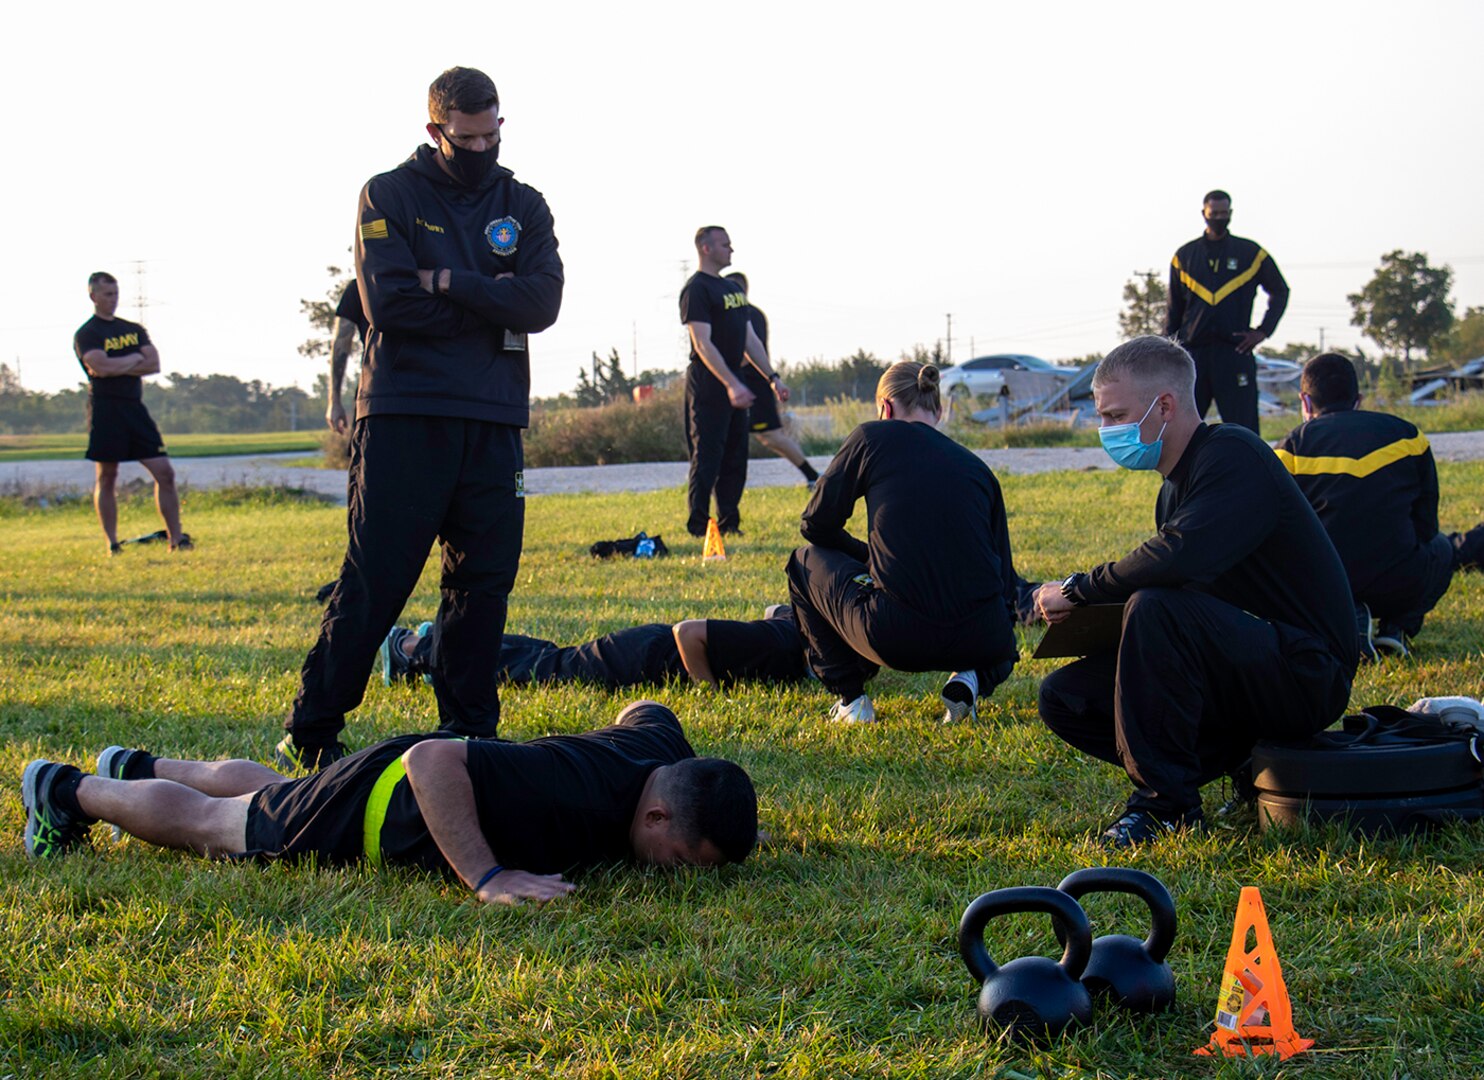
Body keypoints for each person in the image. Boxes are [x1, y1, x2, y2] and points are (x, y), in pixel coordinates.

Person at [279, 67, 564, 771]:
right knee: (376, 578)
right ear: (435, 130)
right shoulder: (390, 194)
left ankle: (468, 732)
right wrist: (489, 298)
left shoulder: (523, 204)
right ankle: (311, 729)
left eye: (490, 133)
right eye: (465, 137)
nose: (479, 147)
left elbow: (542, 304)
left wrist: (450, 282)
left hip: (495, 418)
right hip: (406, 413)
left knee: (482, 584)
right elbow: (388, 305)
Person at [1033, 336, 1357, 848]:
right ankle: (1241, 762)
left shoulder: (1234, 453)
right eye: (1102, 418)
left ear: (1165, 405)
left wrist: (1080, 590)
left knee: (1156, 606)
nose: (1106, 431)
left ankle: (1166, 806)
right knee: (1066, 697)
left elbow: (1179, 555)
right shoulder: (1172, 489)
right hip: (1246, 665)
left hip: (1307, 670)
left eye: (1117, 415)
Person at [24, 701, 756, 906]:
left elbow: (647, 704)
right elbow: (433, 762)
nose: (678, 876)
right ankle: (68, 792)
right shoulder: (568, 791)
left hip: (401, 772)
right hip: (394, 802)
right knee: (223, 828)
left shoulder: (665, 755)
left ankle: (139, 765)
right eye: (684, 863)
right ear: (658, 817)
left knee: (274, 794)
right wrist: (487, 876)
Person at [786, 361, 1020, 725]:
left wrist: (865, 556)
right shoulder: (979, 470)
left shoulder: (871, 438)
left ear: (886, 407)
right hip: (985, 641)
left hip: (896, 637)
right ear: (938, 411)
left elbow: (815, 526)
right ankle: (971, 679)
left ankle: (851, 700)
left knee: (803, 562)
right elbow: (1005, 580)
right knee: (997, 632)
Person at [1275, 352, 1484, 658]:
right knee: (1441, 549)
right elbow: (1426, 527)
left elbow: (1276, 529)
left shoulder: (1292, 446)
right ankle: (1396, 628)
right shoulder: (1409, 437)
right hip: (1398, 582)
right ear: (1358, 398)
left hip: (1324, 586)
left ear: (1305, 402)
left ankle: (1351, 620)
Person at [379, 605, 807, 689]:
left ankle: (434, 640)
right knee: (546, 669)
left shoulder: (795, 625)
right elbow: (688, 632)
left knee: (549, 656)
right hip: (644, 659)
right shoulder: (786, 641)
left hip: (644, 651)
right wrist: (706, 687)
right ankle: (411, 650)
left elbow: (775, 608)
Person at [72, 271, 191, 555]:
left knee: (165, 472)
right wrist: (134, 359)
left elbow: (153, 364)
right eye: (106, 294)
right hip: (105, 410)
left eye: (115, 294)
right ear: (93, 296)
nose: (112, 300)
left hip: (134, 408)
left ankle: (177, 540)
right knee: (107, 476)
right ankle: (113, 543)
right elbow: (101, 368)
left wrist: (119, 364)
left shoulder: (133, 330)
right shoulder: (87, 334)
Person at [679, 228, 785, 537]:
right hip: (709, 382)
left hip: (736, 380)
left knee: (736, 455)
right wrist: (730, 384)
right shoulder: (696, 289)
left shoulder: (732, 289)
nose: (731, 250)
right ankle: (699, 526)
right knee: (708, 455)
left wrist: (772, 378)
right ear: (706, 248)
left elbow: (749, 339)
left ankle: (729, 524)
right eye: (725, 244)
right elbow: (702, 343)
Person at [1163, 190, 1289, 433]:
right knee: (1180, 429)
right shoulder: (1184, 257)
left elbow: (1280, 291)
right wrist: (1168, 352)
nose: (1219, 218)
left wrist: (1262, 332)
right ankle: (1178, 473)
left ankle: (1247, 471)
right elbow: (1173, 309)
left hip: (1234, 352)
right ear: (1204, 214)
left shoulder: (1251, 254)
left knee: (1244, 429)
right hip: (1193, 354)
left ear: (1231, 213)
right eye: (1214, 214)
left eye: (1224, 213)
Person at [722, 272, 819, 489]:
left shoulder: (750, 314)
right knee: (738, 437)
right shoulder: (734, 313)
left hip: (754, 385)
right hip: (740, 383)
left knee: (771, 436)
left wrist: (726, 373)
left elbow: (749, 352)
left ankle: (813, 476)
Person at [324, 279, 369, 435]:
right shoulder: (359, 287)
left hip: (375, 396)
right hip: (374, 395)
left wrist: (334, 401)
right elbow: (340, 345)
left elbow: (340, 345)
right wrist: (334, 401)